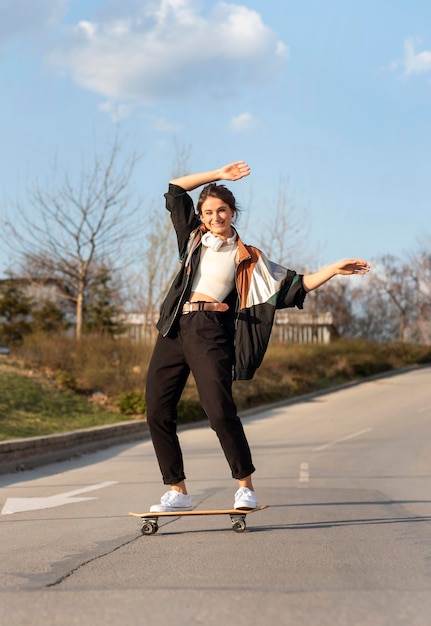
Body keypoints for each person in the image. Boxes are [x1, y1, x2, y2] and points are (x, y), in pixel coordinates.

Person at [145, 160, 370, 512]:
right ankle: (178, 491)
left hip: (211, 331)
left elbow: (293, 287)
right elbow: (176, 188)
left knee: (219, 412)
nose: (215, 217)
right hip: (174, 328)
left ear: (233, 213)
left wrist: (332, 270)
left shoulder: (250, 258)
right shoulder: (191, 240)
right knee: (157, 411)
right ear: (201, 217)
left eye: (221, 210)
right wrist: (219, 174)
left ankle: (245, 486)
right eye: (208, 212)